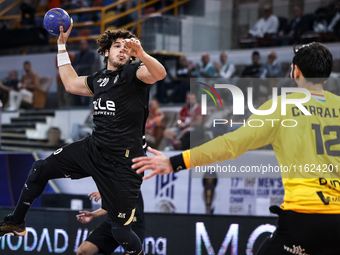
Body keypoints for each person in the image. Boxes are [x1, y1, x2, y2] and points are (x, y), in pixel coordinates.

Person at [132, 42, 340, 255]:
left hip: (304, 218)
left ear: (295, 71)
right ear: (326, 76)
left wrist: (174, 162)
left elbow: (230, 145)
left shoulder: (282, 106)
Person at [0, 21, 166, 255]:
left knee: (120, 231)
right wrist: (61, 46)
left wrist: (142, 54)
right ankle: (16, 221)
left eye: (126, 48)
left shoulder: (135, 74)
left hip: (124, 163)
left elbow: (159, 73)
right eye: (117, 46)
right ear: (106, 51)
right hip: (93, 149)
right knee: (40, 169)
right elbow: (69, 83)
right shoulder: (99, 79)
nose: (122, 50)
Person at [76, 190, 145, 255]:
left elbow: (129, 187)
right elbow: (109, 208)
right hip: (113, 222)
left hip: (133, 224)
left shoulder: (130, 180)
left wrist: (107, 191)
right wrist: (93, 214)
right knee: (83, 251)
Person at [72, 39, 95, 107]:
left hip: (86, 74)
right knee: (75, 90)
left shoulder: (91, 54)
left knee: (87, 90)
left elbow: (90, 64)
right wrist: (75, 69)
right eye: (81, 44)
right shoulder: (77, 55)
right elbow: (73, 64)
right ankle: (77, 105)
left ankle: (86, 105)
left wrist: (79, 68)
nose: (82, 46)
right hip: (78, 75)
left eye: (84, 44)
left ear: (87, 44)